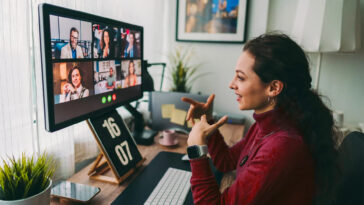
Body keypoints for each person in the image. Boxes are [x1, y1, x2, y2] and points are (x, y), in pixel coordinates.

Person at [182, 33, 339, 205]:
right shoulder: (268, 126)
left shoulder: (282, 147)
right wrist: (208, 120)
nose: (231, 84)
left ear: (273, 88)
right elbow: (226, 161)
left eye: (240, 77)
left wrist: (197, 150)